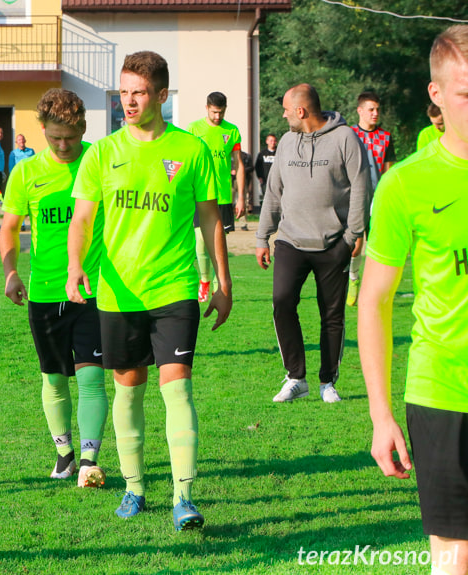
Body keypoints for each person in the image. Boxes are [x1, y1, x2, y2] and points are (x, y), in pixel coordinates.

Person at [67, 51, 232, 530]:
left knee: (177, 387)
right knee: (129, 391)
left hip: (175, 287)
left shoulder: (193, 150)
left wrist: (222, 282)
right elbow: (83, 218)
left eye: (139, 92)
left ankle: (184, 497)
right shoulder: (101, 153)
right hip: (118, 293)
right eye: (124, 91)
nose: (129, 100)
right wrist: (76, 265)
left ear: (162, 94)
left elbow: (210, 220)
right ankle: (135, 488)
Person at [358, 25, 468, 575]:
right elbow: (374, 302)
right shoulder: (405, 185)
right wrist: (381, 415)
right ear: (438, 95)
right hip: (443, 394)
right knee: (454, 561)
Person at [0, 88, 109, 488]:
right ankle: (63, 453)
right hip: (45, 293)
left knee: (92, 377)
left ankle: (88, 459)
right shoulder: (26, 173)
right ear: (41, 129)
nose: (64, 145)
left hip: (94, 290)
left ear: (84, 127)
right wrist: (11, 272)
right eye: (55, 137)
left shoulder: (99, 160)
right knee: (54, 379)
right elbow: (9, 227)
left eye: (72, 136)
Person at [255, 83, 370, 405]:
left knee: (331, 314)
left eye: (287, 110)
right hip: (291, 240)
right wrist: (263, 236)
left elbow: (361, 187)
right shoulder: (288, 142)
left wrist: (352, 236)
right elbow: (274, 192)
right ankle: (295, 377)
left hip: (334, 242)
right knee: (282, 302)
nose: (284, 115)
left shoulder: (345, 138)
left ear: (301, 111)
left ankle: (327, 382)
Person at [187, 92, 245, 302]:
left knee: (219, 243)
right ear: (207, 108)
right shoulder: (194, 129)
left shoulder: (232, 131)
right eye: (214, 112)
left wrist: (241, 198)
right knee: (201, 240)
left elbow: (238, 165)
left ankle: (216, 284)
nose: (218, 117)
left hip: (223, 197)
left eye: (221, 113)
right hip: (200, 196)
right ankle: (204, 279)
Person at [346, 90, 397, 306]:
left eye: (377, 109)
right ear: (360, 111)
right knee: (356, 245)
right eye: (371, 109)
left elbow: (389, 170)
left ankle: (374, 289)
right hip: (355, 198)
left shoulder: (385, 137)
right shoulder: (348, 134)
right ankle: (353, 280)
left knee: (377, 246)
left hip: (378, 199)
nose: (375, 113)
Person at [233, 150, 254, 231]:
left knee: (243, 202)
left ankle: (243, 223)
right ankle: (228, 222)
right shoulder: (227, 154)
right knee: (229, 203)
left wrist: (241, 171)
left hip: (242, 182)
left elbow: (251, 167)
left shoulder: (246, 156)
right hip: (230, 182)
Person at [254, 133, 278, 203]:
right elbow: (257, 166)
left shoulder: (279, 153)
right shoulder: (262, 154)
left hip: (276, 180)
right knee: (266, 198)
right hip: (265, 180)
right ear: (267, 141)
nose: (273, 143)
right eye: (271, 141)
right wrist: (259, 177)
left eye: (274, 141)